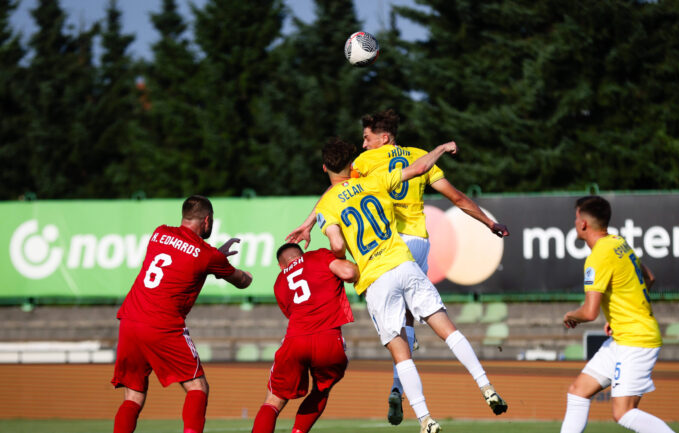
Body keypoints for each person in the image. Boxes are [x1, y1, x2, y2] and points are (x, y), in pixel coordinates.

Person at [287, 108, 509, 425]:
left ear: (384, 137)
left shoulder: (363, 165)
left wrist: (311, 223)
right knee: (438, 323)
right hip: (411, 249)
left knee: (401, 337)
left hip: (379, 263)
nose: (364, 145)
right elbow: (454, 195)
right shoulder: (414, 157)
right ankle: (485, 385)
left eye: (367, 138)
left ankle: (409, 401)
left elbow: (334, 195)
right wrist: (489, 221)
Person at [111, 195, 253, 433]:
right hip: (162, 325)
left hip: (130, 320)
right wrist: (240, 272)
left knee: (133, 396)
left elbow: (184, 257)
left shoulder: (160, 233)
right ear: (206, 221)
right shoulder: (208, 255)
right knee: (197, 387)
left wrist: (216, 257)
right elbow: (241, 281)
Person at [560, 196, 674, 433]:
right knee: (578, 391)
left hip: (635, 340)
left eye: (576, 218)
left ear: (583, 223)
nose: (574, 222)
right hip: (624, 336)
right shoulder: (618, 242)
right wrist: (617, 317)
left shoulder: (597, 257)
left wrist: (570, 315)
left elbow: (589, 313)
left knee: (623, 413)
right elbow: (649, 278)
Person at [251, 243, 359, 433]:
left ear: (281, 265)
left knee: (273, 400)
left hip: (296, 339)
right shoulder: (318, 256)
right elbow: (348, 273)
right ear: (302, 254)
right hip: (328, 338)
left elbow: (290, 313)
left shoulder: (279, 281)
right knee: (321, 389)